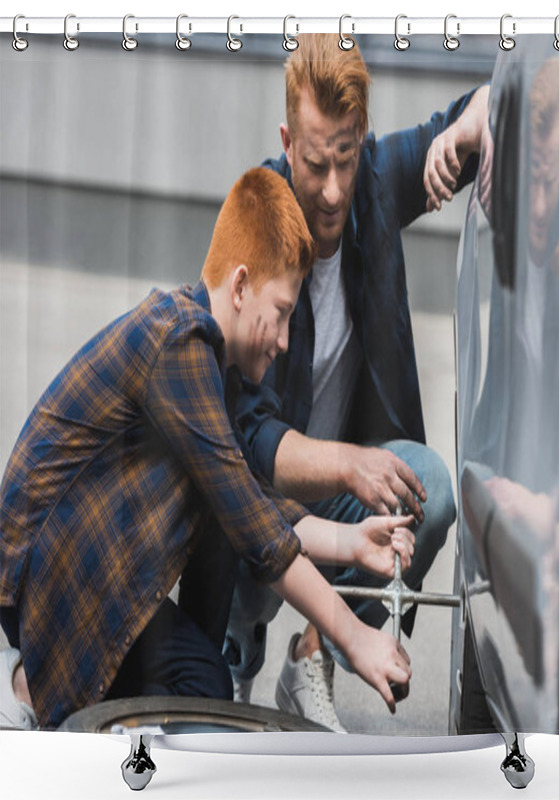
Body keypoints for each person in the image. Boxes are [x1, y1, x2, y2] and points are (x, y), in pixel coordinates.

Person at [0, 167, 415, 732]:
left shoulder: (214, 368)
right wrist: (355, 635)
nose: (287, 338)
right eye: (284, 311)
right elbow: (252, 523)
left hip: (81, 568)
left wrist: (350, 541)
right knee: (204, 673)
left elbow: (246, 494)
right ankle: (26, 685)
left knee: (207, 684)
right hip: (45, 578)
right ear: (241, 287)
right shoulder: (180, 341)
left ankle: (106, 704)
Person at [223, 34, 491, 730]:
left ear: (362, 139)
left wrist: (469, 124)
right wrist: (350, 463)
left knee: (426, 492)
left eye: (346, 157)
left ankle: (309, 654)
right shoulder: (259, 221)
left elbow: (484, 108)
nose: (334, 188)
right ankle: (231, 659)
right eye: (316, 163)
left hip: (343, 495)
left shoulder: (372, 182)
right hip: (257, 500)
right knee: (214, 667)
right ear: (288, 141)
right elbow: (247, 440)